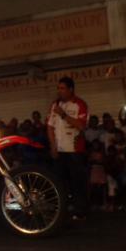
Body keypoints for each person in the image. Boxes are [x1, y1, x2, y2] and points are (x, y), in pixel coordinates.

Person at [47, 76, 89, 220]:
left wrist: (64, 115)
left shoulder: (80, 104)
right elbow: (50, 127)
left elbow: (81, 126)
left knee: (77, 182)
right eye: (58, 88)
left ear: (71, 89)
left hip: (75, 151)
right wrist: (53, 146)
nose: (59, 91)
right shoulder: (55, 105)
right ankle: (60, 211)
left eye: (62, 88)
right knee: (58, 182)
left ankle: (80, 211)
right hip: (59, 151)